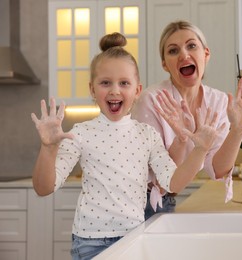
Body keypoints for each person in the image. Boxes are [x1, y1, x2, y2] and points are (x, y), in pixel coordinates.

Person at [30, 32, 224, 260]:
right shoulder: (80, 133)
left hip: (134, 237)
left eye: (124, 83)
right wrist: (48, 148)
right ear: (92, 89)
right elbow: (44, 188)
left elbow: (172, 182)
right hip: (90, 243)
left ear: (137, 91)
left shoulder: (147, 135)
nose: (114, 90)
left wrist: (199, 150)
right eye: (105, 83)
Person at [131, 20, 242, 220]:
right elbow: (165, 180)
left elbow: (217, 169)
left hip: (167, 198)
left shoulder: (218, 102)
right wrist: (183, 139)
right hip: (139, 201)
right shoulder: (152, 100)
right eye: (173, 51)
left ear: (205, 54)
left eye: (191, 46)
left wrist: (239, 128)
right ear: (165, 63)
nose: (183, 54)